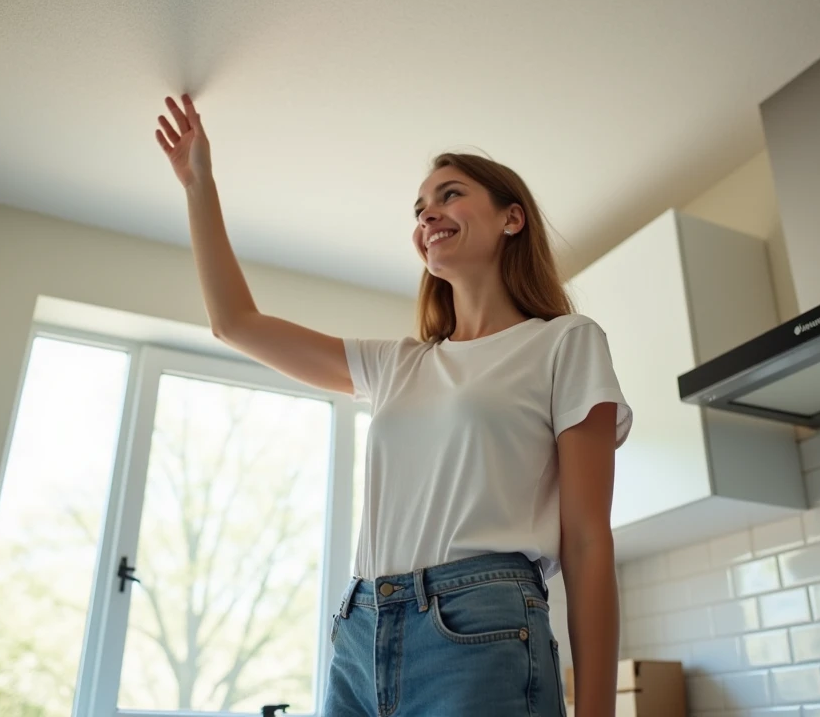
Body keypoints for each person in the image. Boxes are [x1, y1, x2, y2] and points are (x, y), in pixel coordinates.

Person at [156, 94, 632, 716]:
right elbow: (236, 324)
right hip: (359, 632)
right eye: (419, 209)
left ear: (511, 219)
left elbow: (589, 541)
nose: (428, 214)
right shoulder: (397, 364)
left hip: (481, 625)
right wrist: (199, 185)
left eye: (449, 195)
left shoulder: (564, 342)